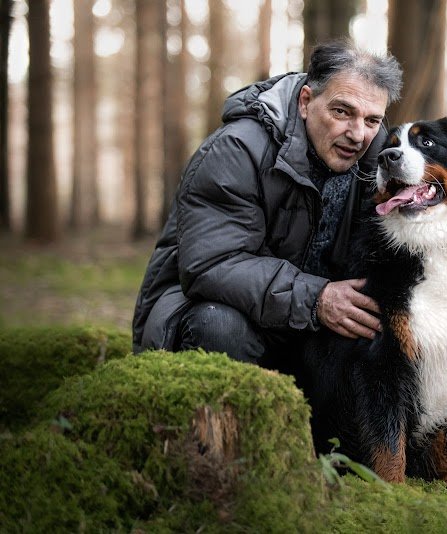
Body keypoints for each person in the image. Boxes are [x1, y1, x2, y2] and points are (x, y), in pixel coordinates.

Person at [131, 40, 403, 369]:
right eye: (342, 112)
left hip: (309, 328)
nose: (358, 134)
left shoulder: (377, 161)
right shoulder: (238, 149)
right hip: (222, 317)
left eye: (372, 120)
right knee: (219, 326)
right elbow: (212, 265)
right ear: (306, 101)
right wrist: (317, 298)